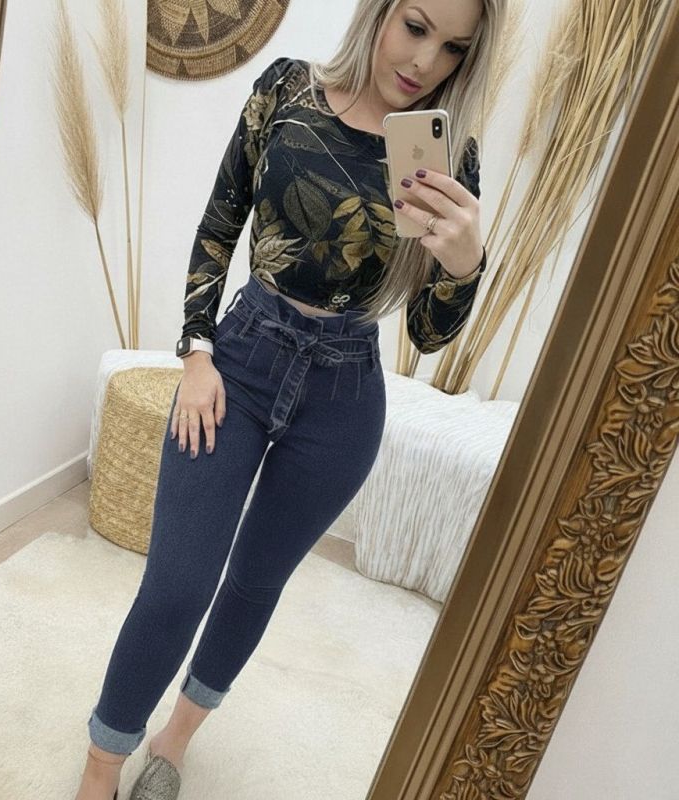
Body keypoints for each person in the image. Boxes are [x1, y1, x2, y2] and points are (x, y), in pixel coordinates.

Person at [74, 0, 504, 797]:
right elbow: (219, 225)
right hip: (240, 359)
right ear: (381, 13)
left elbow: (428, 333)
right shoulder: (286, 89)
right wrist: (196, 352)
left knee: (254, 581)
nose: (424, 61)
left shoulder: (450, 159)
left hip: (345, 392)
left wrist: (466, 265)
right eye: (415, 27)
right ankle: (102, 766)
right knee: (177, 585)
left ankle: (174, 740)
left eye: (453, 48)